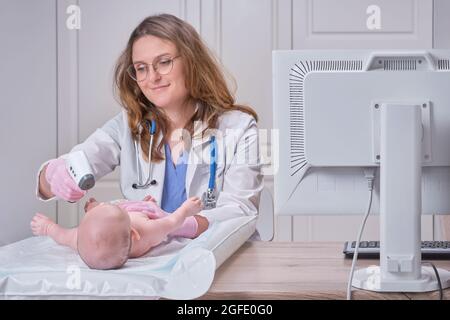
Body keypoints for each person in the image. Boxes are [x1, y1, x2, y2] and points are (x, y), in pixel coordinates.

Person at [36, 14, 263, 230]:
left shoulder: (239, 128)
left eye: (164, 62)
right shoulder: (129, 125)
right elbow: (82, 159)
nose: (152, 77)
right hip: (151, 259)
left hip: (215, 257)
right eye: (141, 68)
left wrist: (176, 225)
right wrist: (52, 175)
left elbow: (240, 210)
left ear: (192, 62)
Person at [30, 196, 207, 270]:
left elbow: (62, 235)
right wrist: (186, 209)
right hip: (144, 212)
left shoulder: (81, 240)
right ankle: (106, 208)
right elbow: (172, 222)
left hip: (122, 213)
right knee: (195, 226)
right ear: (133, 233)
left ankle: (96, 209)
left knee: (105, 216)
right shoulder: (146, 231)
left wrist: (47, 227)